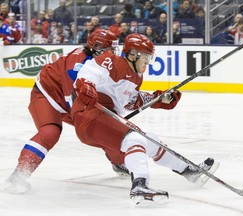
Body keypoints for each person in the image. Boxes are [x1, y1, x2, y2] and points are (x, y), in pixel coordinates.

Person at [70, 33, 217, 204]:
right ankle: (140, 185)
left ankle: (189, 172)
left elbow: (132, 101)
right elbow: (90, 72)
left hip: (104, 117)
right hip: (89, 114)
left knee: (151, 140)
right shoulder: (111, 60)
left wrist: (160, 99)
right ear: (132, 55)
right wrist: (87, 85)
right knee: (134, 139)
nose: (148, 62)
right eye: (145, 57)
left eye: (149, 57)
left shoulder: (136, 77)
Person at [3, 29, 129, 194]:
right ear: (96, 47)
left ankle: (118, 161)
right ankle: (19, 175)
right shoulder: (76, 66)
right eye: (108, 49)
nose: (112, 53)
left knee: (107, 127)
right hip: (47, 96)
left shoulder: (105, 62)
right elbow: (74, 101)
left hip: (71, 100)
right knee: (50, 132)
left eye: (113, 49)